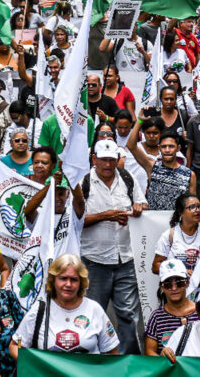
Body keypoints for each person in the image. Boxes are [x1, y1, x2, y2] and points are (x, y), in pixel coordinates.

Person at [80, 140, 146, 354]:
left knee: (128, 314)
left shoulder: (127, 178)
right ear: (94, 159)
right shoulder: (83, 182)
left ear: (118, 160)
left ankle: (130, 362)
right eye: (103, 160)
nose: (108, 164)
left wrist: (139, 207)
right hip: (93, 260)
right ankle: (94, 361)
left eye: (112, 160)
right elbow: (75, 221)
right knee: (93, 312)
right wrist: (106, 216)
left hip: (125, 258)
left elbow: (143, 204)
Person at [11, 254, 120, 355]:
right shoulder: (40, 309)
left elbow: (112, 352)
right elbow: (14, 346)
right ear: (53, 280)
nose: (68, 284)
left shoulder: (94, 309)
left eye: (74, 280)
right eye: (63, 278)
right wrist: (34, 365)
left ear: (81, 283)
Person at [125, 130, 195, 211]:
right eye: (164, 146)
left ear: (178, 148)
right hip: (155, 220)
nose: (167, 150)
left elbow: (192, 204)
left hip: (177, 220)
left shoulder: (189, 174)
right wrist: (139, 121)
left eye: (171, 146)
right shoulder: (152, 167)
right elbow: (131, 145)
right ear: (159, 148)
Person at [143, 259, 198, 355]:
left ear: (187, 283)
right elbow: (149, 351)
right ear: (162, 287)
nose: (174, 288)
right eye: (168, 284)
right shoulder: (157, 317)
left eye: (179, 282)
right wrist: (162, 358)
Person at [152, 193, 200, 273]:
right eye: (192, 207)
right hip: (177, 284)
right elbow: (156, 266)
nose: (197, 210)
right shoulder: (169, 236)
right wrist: (179, 270)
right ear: (181, 212)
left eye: (199, 206)